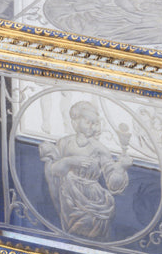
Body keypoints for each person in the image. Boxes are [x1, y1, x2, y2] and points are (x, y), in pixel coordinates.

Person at [39, 101, 131, 240]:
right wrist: (70, 161)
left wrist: (121, 168)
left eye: (94, 123)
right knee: (72, 235)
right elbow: (53, 170)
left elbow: (113, 184)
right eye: (88, 122)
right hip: (69, 196)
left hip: (94, 199)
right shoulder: (64, 143)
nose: (92, 126)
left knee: (92, 234)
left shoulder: (100, 149)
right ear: (75, 123)